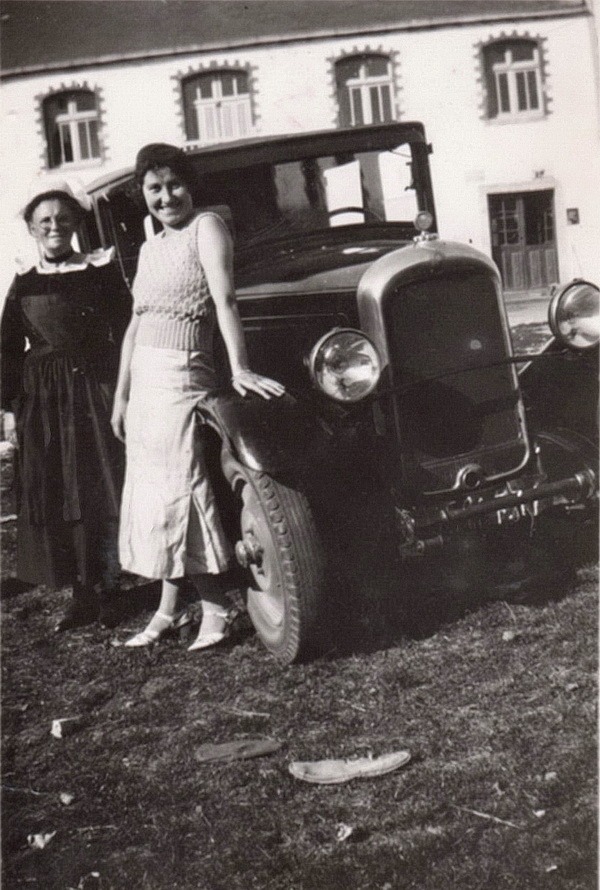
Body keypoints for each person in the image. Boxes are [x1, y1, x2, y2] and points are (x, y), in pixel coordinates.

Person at [111, 143, 285, 651]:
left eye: (174, 185)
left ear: (191, 186)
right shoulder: (149, 247)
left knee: (180, 488)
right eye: (154, 189)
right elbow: (136, 322)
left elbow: (225, 298)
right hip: (144, 378)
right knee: (152, 488)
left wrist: (241, 367)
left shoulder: (207, 227)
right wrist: (121, 395)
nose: (166, 197)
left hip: (184, 374)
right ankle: (167, 607)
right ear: (143, 195)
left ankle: (215, 605)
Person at [1, 182, 132, 631]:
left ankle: (111, 585)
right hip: (44, 402)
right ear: (33, 229)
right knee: (61, 489)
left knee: (99, 485)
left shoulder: (99, 270)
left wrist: (122, 388)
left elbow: (127, 328)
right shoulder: (24, 280)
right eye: (45, 221)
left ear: (77, 223)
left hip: (93, 392)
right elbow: (6, 347)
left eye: (63, 219)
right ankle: (81, 593)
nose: (55, 226)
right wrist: (9, 408)